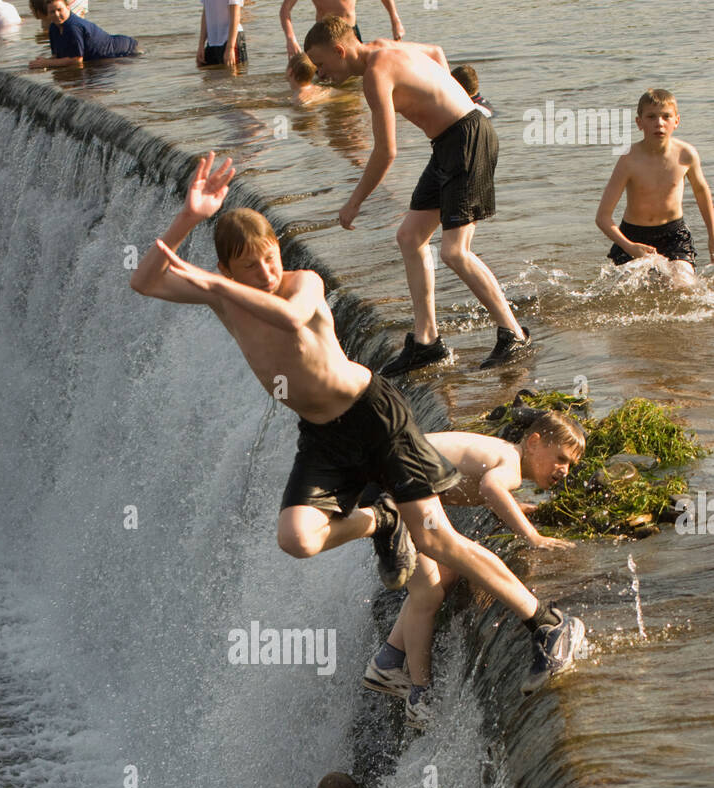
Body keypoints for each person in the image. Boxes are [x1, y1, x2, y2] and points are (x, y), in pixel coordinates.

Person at [129, 152, 585, 694]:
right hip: (324, 436)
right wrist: (188, 218)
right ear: (228, 268)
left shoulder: (302, 283)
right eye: (250, 266)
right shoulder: (224, 297)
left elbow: (291, 318)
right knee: (297, 538)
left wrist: (218, 287)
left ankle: (549, 626)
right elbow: (144, 281)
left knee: (437, 540)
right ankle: (380, 522)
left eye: (271, 258)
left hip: (375, 416)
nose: (266, 273)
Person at [303, 19, 530, 372]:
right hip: (448, 142)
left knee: (455, 251)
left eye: (321, 65)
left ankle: (513, 333)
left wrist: (354, 202)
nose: (321, 74)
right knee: (410, 237)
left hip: (467, 140)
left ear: (340, 50)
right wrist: (447, 96)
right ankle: (427, 342)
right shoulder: (382, 46)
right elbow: (436, 52)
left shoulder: (375, 76)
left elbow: (385, 152)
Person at [363, 411, 586, 724]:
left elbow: (470, 483)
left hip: (384, 484)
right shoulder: (510, 460)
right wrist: (532, 536)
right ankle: (421, 691)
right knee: (442, 573)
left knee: (438, 582)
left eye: (571, 466)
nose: (563, 470)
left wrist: (514, 507)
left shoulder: (501, 454)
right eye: (560, 458)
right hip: (396, 485)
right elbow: (490, 487)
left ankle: (390, 662)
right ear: (534, 442)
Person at [596, 88, 714, 286]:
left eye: (666, 116)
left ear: (676, 121)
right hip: (633, 236)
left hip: (674, 234)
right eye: (651, 117)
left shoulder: (686, 155)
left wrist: (712, 235)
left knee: (684, 286)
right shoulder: (628, 159)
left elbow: (702, 193)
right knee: (628, 294)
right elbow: (602, 217)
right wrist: (629, 246)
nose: (659, 123)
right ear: (639, 122)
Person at [28, 0, 140, 68]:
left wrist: (47, 63)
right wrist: (44, 61)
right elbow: (58, 56)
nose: (57, 14)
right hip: (112, 52)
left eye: (59, 10)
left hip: (127, 50)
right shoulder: (54, 27)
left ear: (68, 8)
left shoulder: (72, 27)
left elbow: (76, 60)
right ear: (47, 14)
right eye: (52, 12)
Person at [280, 0, 404, 60]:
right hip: (325, 36)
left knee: (356, 76)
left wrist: (395, 20)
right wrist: (291, 39)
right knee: (325, 80)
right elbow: (285, 9)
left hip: (351, 34)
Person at [196, 0, 246, 69]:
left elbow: (236, 15)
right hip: (212, 41)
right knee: (210, 77)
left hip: (231, 39)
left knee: (233, 77)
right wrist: (201, 45)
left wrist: (230, 48)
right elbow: (206, 12)